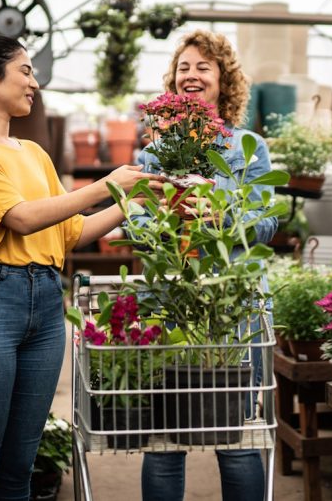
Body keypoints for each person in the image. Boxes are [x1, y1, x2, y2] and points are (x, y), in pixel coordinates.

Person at [0, 34, 164, 500]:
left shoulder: (34, 154)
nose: (35, 83)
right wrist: (106, 184)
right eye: (26, 70)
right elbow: (19, 217)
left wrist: (133, 199)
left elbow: (71, 232)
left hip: (44, 304)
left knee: (19, 469)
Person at [136, 29, 277, 501]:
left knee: (234, 438)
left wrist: (223, 216)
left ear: (223, 81)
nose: (191, 76)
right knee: (161, 442)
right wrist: (160, 219)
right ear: (173, 83)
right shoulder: (153, 153)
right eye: (183, 68)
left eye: (203, 67)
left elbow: (267, 222)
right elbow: (138, 228)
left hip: (231, 302)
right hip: (170, 298)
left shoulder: (247, 146)